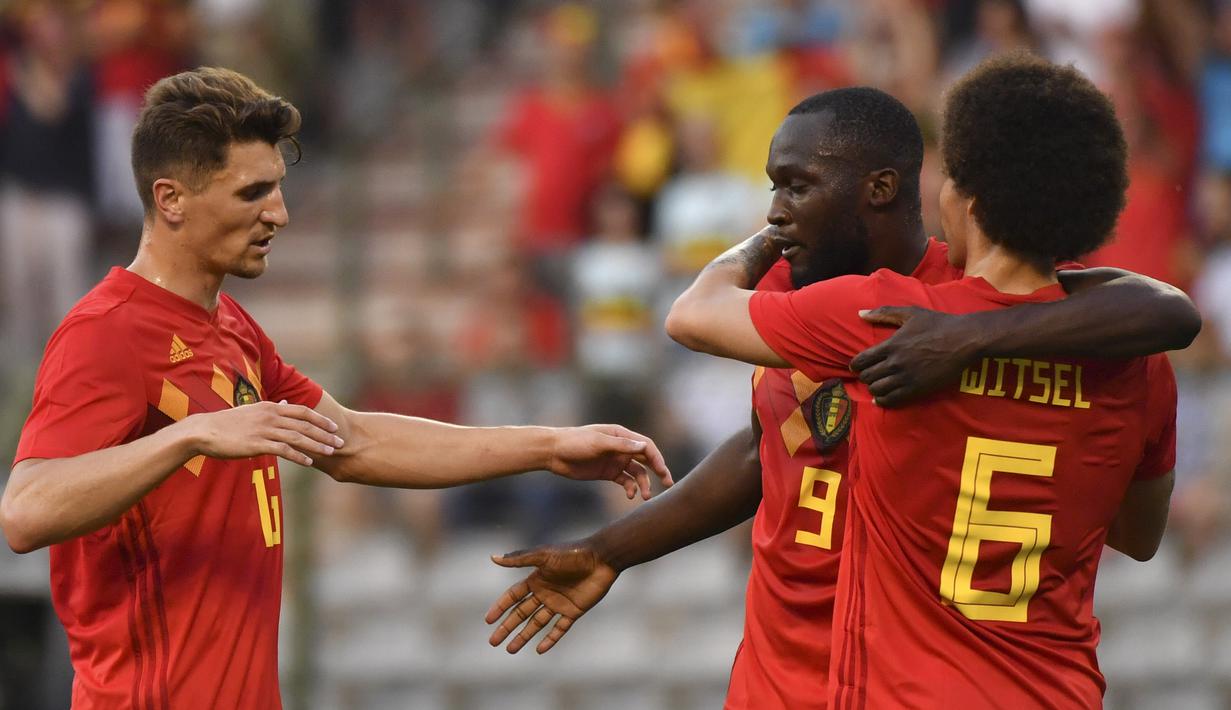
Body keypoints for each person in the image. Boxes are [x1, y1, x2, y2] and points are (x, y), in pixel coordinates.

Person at [485, 85, 1198, 709]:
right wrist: (611, 549)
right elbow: (769, 445)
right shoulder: (1106, 344)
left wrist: (969, 338)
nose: (776, 211)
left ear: (884, 188)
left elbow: (690, 315)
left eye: (796, 187)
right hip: (794, 682)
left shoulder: (913, 311)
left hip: (886, 674)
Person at [0, 67, 672, 710]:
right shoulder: (107, 332)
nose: (279, 214)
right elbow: (26, 511)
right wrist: (189, 437)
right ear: (171, 199)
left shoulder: (232, 328)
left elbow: (352, 440)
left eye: (277, 188)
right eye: (252, 193)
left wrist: (549, 446)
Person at [664, 52, 1176, 707]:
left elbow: (694, 315)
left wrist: (769, 233)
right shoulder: (1139, 361)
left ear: (968, 198)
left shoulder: (889, 317)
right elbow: (1138, 537)